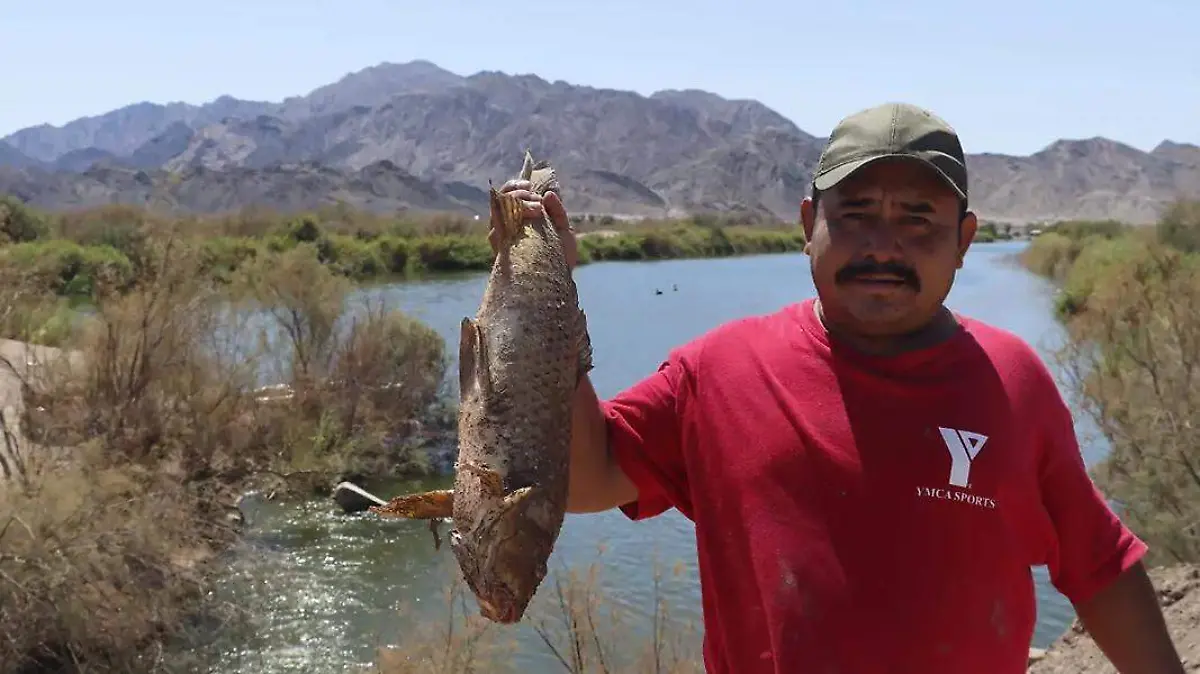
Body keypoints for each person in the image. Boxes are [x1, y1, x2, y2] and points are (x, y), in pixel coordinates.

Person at [492, 102, 1184, 674]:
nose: (884, 245)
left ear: (965, 240)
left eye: (919, 218)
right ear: (807, 225)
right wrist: (547, 292)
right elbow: (585, 482)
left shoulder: (1015, 381)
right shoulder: (721, 368)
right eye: (855, 213)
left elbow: (1100, 566)